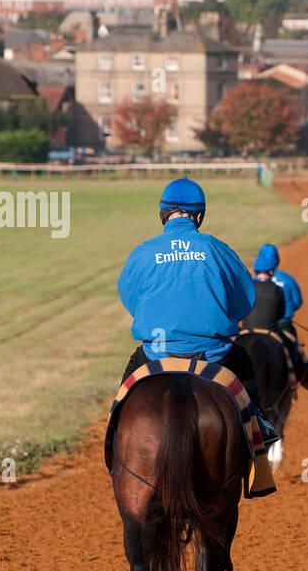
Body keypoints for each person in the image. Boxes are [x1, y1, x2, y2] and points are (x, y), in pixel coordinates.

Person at [117, 176, 277, 440]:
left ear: (163, 213)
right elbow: (246, 299)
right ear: (199, 215)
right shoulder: (216, 248)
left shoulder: (143, 252)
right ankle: (261, 425)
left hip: (156, 352)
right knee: (244, 363)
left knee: (121, 407)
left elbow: (130, 298)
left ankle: (114, 435)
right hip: (215, 355)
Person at [253, 243, 308, 391]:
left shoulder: (250, 282)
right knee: (293, 351)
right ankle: (296, 379)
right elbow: (297, 302)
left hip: (253, 327)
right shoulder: (287, 280)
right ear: (276, 261)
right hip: (282, 326)